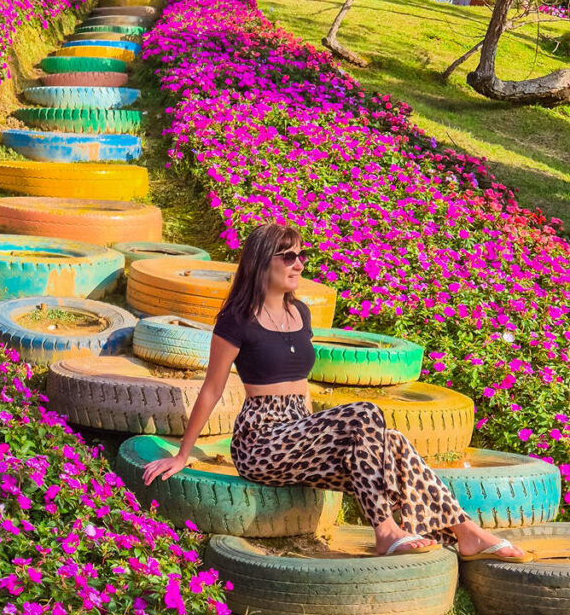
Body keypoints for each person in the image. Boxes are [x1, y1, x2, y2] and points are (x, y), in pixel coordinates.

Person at [142, 222, 528, 562]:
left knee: (392, 442)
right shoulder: (237, 320)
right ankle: (386, 532)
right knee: (365, 412)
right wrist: (183, 454)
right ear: (261, 262)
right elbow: (212, 389)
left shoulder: (300, 313)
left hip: (300, 431)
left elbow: (301, 386)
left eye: (301, 255)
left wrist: (319, 435)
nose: (299, 264)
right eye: (288, 256)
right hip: (261, 441)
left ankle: (466, 532)